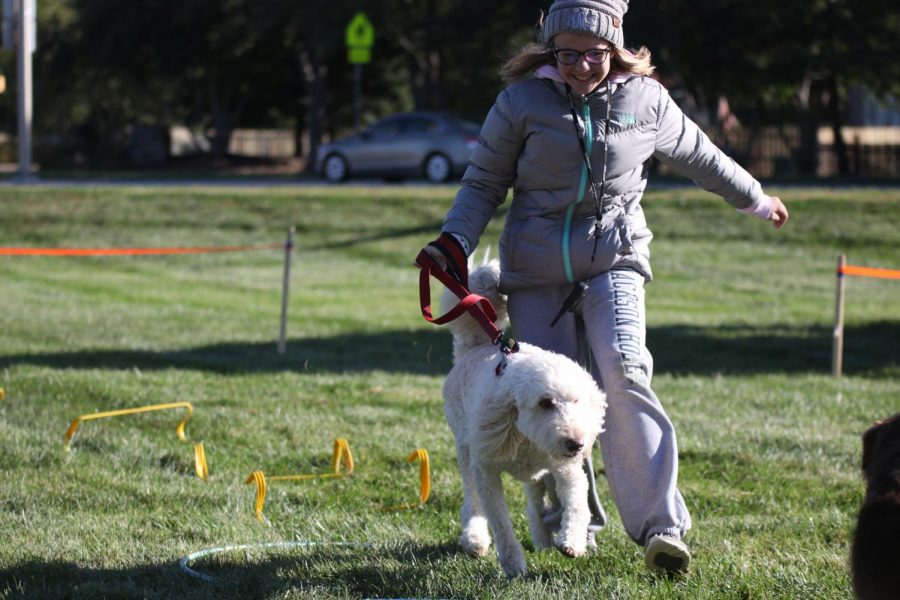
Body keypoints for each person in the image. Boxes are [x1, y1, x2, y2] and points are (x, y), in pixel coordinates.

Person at [418, 0, 789, 575]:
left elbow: (700, 155)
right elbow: (484, 180)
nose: (582, 66)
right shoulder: (520, 102)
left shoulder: (647, 101)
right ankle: (578, 522)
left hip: (614, 260)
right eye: (567, 53)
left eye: (594, 53)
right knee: (550, 392)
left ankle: (660, 528)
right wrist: (452, 243)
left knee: (623, 367)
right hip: (536, 269)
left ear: (614, 48)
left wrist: (756, 199)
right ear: (550, 49)